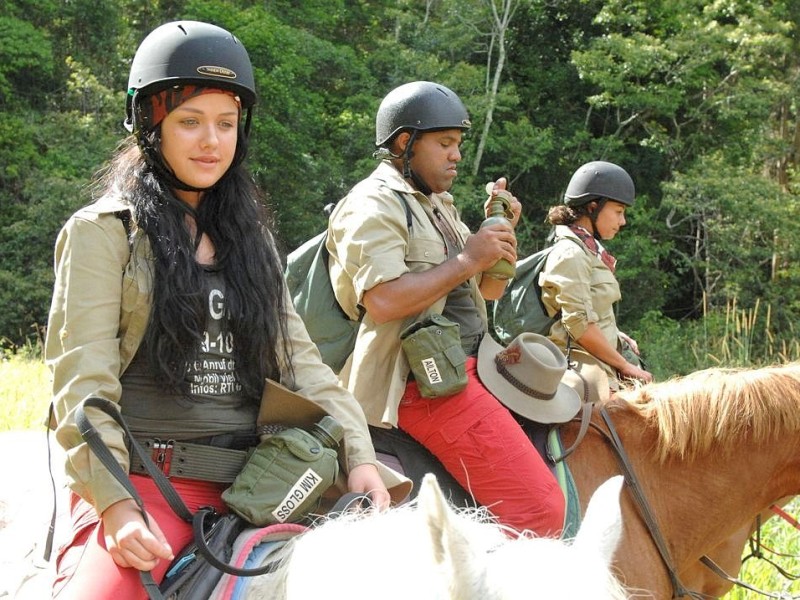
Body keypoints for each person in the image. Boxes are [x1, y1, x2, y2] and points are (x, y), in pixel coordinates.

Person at [44, 20, 409, 599]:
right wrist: (116, 507)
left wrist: (358, 455)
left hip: (264, 485)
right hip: (148, 486)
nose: (211, 141)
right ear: (149, 125)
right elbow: (82, 384)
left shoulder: (254, 242)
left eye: (226, 123)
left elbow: (303, 366)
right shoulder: (104, 234)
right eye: (189, 122)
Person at [326, 80, 569, 536]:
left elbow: (486, 293)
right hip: (421, 384)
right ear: (404, 143)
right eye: (444, 143)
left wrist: (497, 238)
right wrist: (469, 257)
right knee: (542, 512)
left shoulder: (437, 205)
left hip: (467, 362)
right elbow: (383, 300)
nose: (456, 155)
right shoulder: (372, 204)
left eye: (458, 144)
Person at [539, 160, 654, 390]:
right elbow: (578, 325)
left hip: (599, 364)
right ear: (593, 207)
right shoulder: (571, 254)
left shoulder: (589, 252)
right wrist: (625, 365)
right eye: (619, 212)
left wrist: (616, 336)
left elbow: (590, 313)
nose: (623, 221)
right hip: (581, 371)